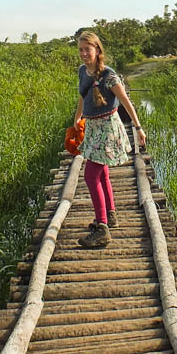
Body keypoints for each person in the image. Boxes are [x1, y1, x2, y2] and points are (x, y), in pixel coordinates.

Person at [72, 32, 147, 248]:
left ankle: (102, 228)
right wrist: (77, 117)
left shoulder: (109, 75)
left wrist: (138, 128)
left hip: (107, 128)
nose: (84, 53)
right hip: (93, 127)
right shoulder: (82, 72)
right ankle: (110, 214)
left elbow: (126, 102)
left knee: (90, 175)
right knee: (102, 172)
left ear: (97, 50)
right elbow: (82, 96)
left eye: (88, 49)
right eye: (81, 49)